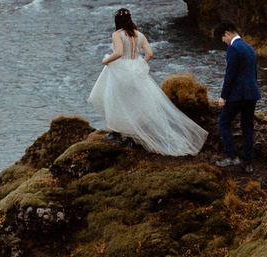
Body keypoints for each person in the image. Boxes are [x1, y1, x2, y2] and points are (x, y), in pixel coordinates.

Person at [85, 10, 206, 157]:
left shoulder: (117, 34)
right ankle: (132, 135)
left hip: (121, 71)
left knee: (117, 100)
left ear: (117, 21)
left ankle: (117, 133)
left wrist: (105, 61)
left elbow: (118, 53)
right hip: (136, 70)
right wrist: (139, 64)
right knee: (135, 102)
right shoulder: (139, 35)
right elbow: (149, 53)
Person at [217, 24, 260, 168]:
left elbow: (230, 74)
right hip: (252, 92)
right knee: (248, 127)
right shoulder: (249, 48)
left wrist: (223, 96)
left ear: (227, 33)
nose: (224, 41)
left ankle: (231, 156)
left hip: (238, 93)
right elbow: (254, 73)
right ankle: (248, 163)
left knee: (223, 122)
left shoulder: (233, 48)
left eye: (223, 38)